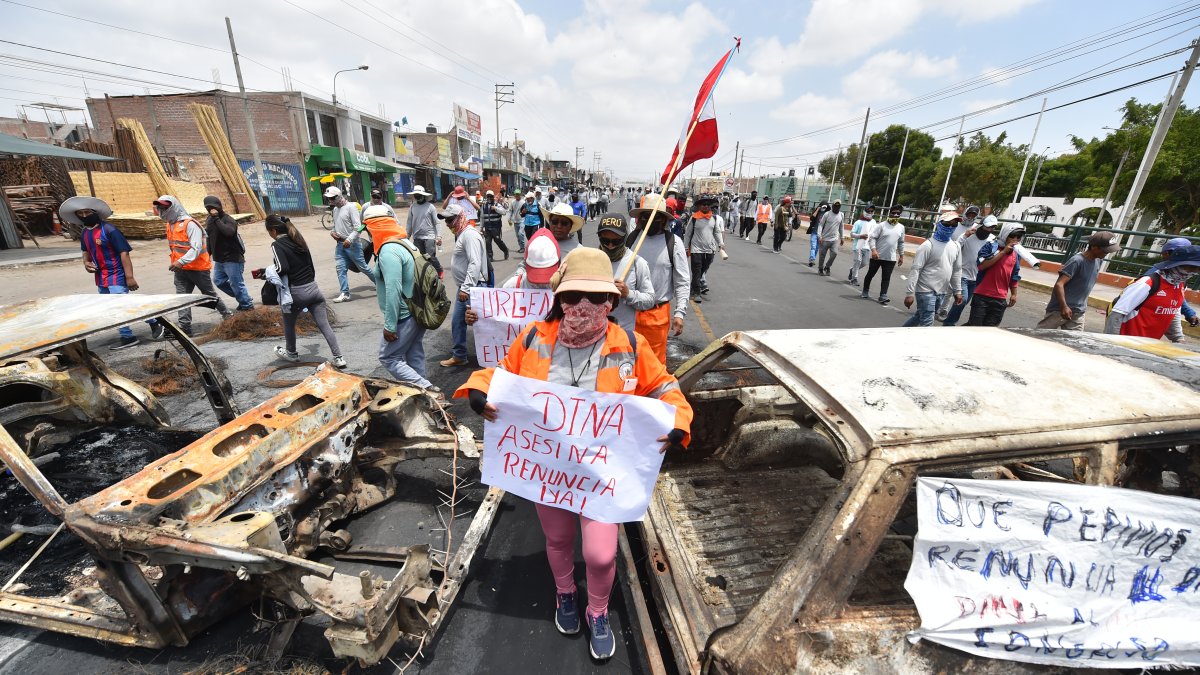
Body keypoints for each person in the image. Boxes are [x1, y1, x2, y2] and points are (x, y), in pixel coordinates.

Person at [455, 247, 693, 661]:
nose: (585, 306)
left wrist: (679, 419)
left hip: (601, 477)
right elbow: (503, 373)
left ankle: (597, 610)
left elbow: (664, 388)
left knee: (600, 554)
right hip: (551, 471)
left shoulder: (631, 345)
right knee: (558, 537)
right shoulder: (533, 337)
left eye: (597, 297)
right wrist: (478, 386)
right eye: (574, 296)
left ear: (612, 301)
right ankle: (565, 593)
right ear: (559, 299)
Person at [361, 204, 438, 393]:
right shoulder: (406, 243)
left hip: (405, 314)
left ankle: (427, 388)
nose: (368, 236)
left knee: (388, 357)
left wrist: (390, 325)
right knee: (414, 354)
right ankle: (424, 399)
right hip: (418, 310)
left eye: (368, 231)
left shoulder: (388, 251)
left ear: (375, 228)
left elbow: (393, 289)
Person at [61, 196, 147, 349]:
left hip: (116, 274)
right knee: (114, 307)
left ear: (95, 212)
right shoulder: (85, 233)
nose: (84, 216)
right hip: (100, 277)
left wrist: (130, 277)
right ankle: (152, 322)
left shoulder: (109, 230)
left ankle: (130, 335)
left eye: (87, 212)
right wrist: (86, 263)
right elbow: (85, 252)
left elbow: (124, 253)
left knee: (119, 306)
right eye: (80, 213)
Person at [261, 214, 345, 369]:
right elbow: (310, 267)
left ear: (273, 230)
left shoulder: (277, 245)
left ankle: (291, 353)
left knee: (289, 323)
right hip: (314, 290)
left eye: (269, 232)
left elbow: (282, 268)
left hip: (297, 294)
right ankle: (339, 357)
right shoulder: (299, 240)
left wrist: (266, 273)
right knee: (324, 325)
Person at [155, 195, 232, 336]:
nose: (162, 210)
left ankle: (228, 316)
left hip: (197, 269)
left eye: (165, 207)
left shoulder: (190, 224)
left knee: (209, 295)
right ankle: (184, 327)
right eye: (160, 208)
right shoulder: (170, 224)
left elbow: (196, 248)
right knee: (182, 298)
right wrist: (178, 263)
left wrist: (180, 261)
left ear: (174, 207)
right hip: (181, 270)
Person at [628, 194, 690, 363]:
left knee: (653, 365)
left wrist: (680, 313)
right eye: (646, 216)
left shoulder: (674, 243)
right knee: (627, 362)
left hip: (656, 315)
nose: (650, 220)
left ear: (663, 220)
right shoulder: (630, 240)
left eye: (655, 217)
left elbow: (683, 281)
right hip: (628, 313)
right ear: (639, 219)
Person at [1105, 244, 1200, 340]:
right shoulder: (1147, 283)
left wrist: (1178, 339)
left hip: (1148, 347)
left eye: (1198, 269)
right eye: (1191, 268)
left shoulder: (1180, 286)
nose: (1194, 272)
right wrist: (1112, 343)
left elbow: (1173, 312)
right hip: (1126, 343)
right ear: (1177, 265)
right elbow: (1116, 315)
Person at [1036, 232, 1120, 330]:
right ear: (1094, 247)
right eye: (1105, 251)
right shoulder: (1077, 261)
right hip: (1059, 310)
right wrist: (1064, 306)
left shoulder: (1098, 261)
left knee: (1075, 341)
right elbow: (1059, 284)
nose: (1107, 253)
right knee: (1040, 335)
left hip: (1078, 311)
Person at [441, 203, 489, 368]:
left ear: (460, 218)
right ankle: (460, 355)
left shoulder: (469, 235)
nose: (448, 224)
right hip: (468, 287)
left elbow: (475, 263)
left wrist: (466, 288)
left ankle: (488, 357)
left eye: (450, 220)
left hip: (472, 287)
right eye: (446, 221)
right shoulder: (462, 234)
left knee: (480, 323)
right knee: (460, 322)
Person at [902, 214, 963, 327]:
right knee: (927, 323)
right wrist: (909, 293)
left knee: (920, 316)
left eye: (954, 224)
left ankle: (901, 333)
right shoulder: (927, 245)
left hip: (941, 291)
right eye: (947, 224)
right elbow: (916, 270)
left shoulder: (956, 246)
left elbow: (957, 270)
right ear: (939, 224)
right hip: (926, 291)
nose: (950, 227)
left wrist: (957, 291)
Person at [597, 214, 655, 330]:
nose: (610, 245)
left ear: (624, 238)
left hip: (623, 335)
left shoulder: (637, 263)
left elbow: (650, 300)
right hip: (593, 334)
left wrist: (628, 294)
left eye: (616, 241)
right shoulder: (590, 259)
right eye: (605, 240)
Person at [940, 215, 997, 326]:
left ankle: (951, 322)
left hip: (977, 277)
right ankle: (949, 323)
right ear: (981, 225)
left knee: (962, 302)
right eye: (987, 227)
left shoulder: (992, 239)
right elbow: (956, 247)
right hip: (962, 274)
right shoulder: (969, 234)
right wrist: (965, 235)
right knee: (963, 300)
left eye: (992, 227)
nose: (989, 230)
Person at [965, 221, 1025, 327]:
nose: (1015, 240)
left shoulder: (1016, 254)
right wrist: (1003, 252)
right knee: (975, 328)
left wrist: (1014, 294)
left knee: (990, 330)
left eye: (1018, 237)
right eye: (1012, 236)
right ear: (1006, 235)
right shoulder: (990, 246)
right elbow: (982, 265)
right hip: (982, 296)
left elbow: (1014, 275)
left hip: (1000, 299)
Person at [324, 186, 375, 303]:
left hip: (352, 245)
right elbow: (335, 226)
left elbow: (358, 227)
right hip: (340, 244)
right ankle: (345, 293)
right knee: (340, 268)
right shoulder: (335, 210)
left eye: (332, 198)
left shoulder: (350, 207)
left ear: (338, 196)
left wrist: (349, 240)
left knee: (363, 268)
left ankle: (380, 284)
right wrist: (332, 232)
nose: (330, 201)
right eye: (329, 198)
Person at [203, 196, 253, 312]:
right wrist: (208, 254)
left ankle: (247, 306)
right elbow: (209, 237)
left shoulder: (228, 219)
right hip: (219, 259)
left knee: (237, 284)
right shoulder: (209, 220)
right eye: (208, 208)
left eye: (213, 207)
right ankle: (244, 299)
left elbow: (229, 233)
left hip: (233, 258)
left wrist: (216, 218)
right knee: (219, 281)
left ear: (219, 206)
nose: (211, 210)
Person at [861, 204, 905, 304]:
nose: (896, 215)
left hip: (891, 258)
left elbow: (901, 242)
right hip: (877, 256)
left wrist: (901, 256)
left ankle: (883, 295)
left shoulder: (901, 227)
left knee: (886, 278)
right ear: (889, 213)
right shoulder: (881, 225)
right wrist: (874, 250)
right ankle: (865, 290)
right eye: (894, 213)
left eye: (898, 213)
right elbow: (872, 238)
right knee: (870, 274)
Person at [685, 196, 724, 300]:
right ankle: (696, 293)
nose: (706, 206)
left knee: (703, 270)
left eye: (708, 205)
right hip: (696, 249)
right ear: (699, 206)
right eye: (704, 204)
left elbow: (717, 232)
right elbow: (688, 234)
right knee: (697, 270)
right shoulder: (694, 218)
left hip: (710, 249)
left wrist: (721, 243)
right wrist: (685, 248)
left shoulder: (714, 218)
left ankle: (694, 286)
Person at [406, 185, 444, 277]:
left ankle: (439, 270)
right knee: (420, 258)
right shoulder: (412, 207)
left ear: (423, 195)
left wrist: (439, 237)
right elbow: (409, 222)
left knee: (430, 257)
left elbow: (437, 223)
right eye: (416, 194)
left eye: (419, 194)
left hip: (429, 236)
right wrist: (407, 236)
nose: (417, 196)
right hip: (417, 237)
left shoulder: (430, 207)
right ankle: (427, 276)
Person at [846, 205, 874, 285]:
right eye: (868, 211)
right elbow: (852, 234)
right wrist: (860, 236)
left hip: (867, 246)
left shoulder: (874, 222)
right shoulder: (858, 222)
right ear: (864, 211)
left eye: (871, 211)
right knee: (858, 261)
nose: (870, 213)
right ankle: (854, 279)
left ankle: (852, 270)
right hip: (858, 246)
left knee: (864, 263)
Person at [480, 190, 510, 262]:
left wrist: (496, 209)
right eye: (488, 196)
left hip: (496, 227)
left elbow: (504, 212)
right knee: (488, 242)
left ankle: (505, 250)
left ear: (493, 197)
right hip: (487, 227)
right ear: (486, 197)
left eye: (491, 196)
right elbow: (482, 217)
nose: (489, 198)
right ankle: (490, 256)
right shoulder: (484, 206)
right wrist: (481, 227)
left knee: (497, 240)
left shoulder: (497, 204)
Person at [816, 200, 844, 276]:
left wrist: (842, 237)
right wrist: (819, 236)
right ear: (832, 206)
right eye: (835, 206)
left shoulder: (841, 215)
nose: (836, 207)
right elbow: (821, 224)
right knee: (822, 255)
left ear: (840, 207)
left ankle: (827, 266)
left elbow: (841, 226)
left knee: (834, 253)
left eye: (838, 206)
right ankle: (820, 268)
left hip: (835, 239)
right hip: (825, 238)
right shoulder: (827, 214)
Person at [808, 201, 828, 266]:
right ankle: (812, 259)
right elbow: (812, 218)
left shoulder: (827, 214)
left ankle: (813, 259)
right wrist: (817, 210)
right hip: (814, 232)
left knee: (816, 247)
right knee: (813, 246)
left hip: (821, 235)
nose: (824, 208)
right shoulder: (817, 212)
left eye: (825, 207)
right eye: (823, 207)